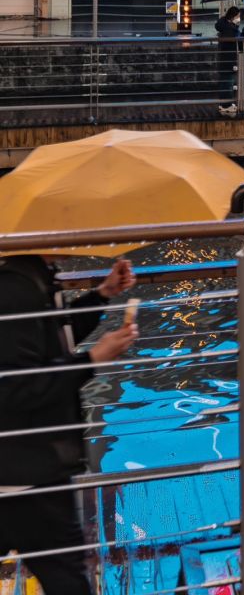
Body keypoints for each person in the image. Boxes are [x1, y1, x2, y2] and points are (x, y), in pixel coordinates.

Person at [0, 254, 138, 594]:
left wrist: (101, 294)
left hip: (26, 467)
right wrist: (92, 359)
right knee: (68, 580)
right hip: (28, 473)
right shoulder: (14, 289)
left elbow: (49, 340)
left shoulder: (30, 276)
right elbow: (16, 387)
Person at [214, 5, 243, 115]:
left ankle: (224, 104)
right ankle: (226, 105)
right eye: (238, 16)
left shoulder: (224, 25)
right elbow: (233, 42)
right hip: (228, 58)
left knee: (225, 80)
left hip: (224, 58)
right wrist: (236, 30)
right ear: (233, 16)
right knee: (227, 81)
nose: (239, 18)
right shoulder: (229, 29)